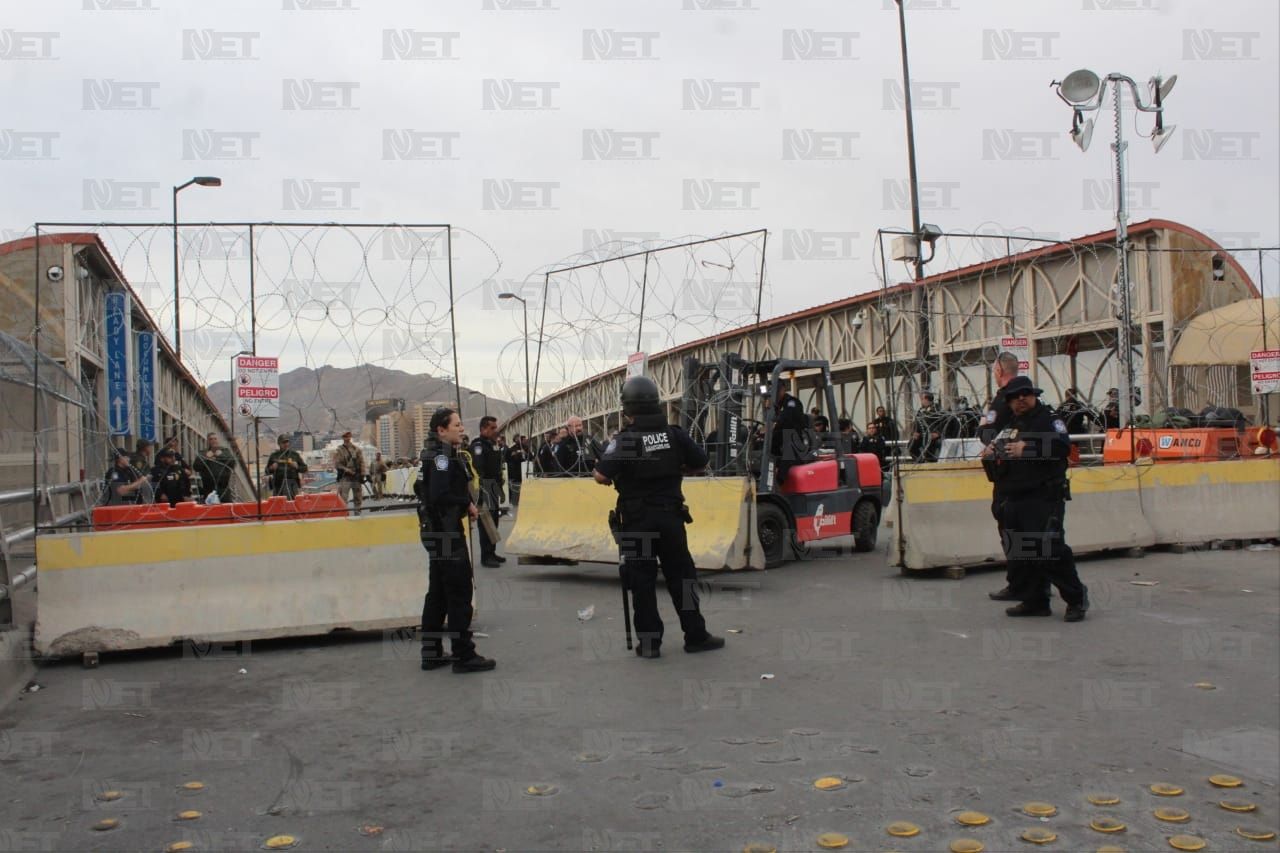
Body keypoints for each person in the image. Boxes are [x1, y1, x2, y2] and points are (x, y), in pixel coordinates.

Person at [594, 375, 724, 659]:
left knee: (641, 580)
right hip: (671, 519)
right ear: (655, 402)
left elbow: (601, 475)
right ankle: (696, 635)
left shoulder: (625, 441)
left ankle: (651, 643)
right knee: (682, 577)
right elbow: (701, 464)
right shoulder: (674, 434)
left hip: (637, 521)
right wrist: (678, 471)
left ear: (627, 408)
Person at [988, 376, 1089, 622]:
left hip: (1043, 496)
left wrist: (1029, 448)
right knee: (1022, 553)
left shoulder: (1049, 419)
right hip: (1014, 496)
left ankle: (1076, 597)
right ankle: (1034, 600)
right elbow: (1004, 454)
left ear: (1034, 395)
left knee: (1049, 550)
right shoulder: (1012, 423)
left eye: (1025, 394)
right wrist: (992, 454)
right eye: (1014, 397)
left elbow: (1062, 448)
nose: (1020, 399)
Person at [418, 407, 496, 673]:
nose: (461, 428)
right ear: (441, 429)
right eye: (456, 425)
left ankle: (431, 653)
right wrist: (466, 503)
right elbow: (440, 494)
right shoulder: (441, 457)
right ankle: (464, 655)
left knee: (438, 593)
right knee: (459, 592)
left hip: (438, 532)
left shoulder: (438, 454)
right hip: (447, 532)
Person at [980, 351, 1029, 602]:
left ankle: (1019, 584)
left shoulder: (1001, 401)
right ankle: (1032, 583)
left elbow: (987, 433)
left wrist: (983, 426)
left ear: (999, 371)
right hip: (1025, 477)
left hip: (1008, 476)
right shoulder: (1029, 402)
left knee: (1010, 530)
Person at [470, 416, 505, 568]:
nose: (495, 430)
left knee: (494, 521)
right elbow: (479, 468)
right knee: (486, 523)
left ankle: (492, 551)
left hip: (494, 486)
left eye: (496, 427)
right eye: (492, 428)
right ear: (483, 429)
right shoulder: (478, 445)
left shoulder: (492, 444)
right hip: (485, 487)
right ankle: (486, 556)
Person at [768, 384, 809, 486]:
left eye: (774, 392)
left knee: (788, 450)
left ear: (782, 390)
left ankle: (778, 482)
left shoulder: (792, 403)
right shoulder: (778, 406)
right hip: (782, 438)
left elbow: (786, 421)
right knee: (765, 446)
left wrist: (774, 425)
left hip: (793, 439)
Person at [194, 432, 235, 503]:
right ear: (208, 441)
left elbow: (232, 464)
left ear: (218, 440)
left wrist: (221, 455)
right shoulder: (203, 453)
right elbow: (196, 467)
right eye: (211, 439)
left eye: (215, 439)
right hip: (209, 490)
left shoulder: (225, 451)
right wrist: (206, 457)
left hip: (223, 488)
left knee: (226, 509)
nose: (213, 441)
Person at [334, 431, 366, 512]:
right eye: (345, 437)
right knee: (344, 497)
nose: (347, 438)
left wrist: (362, 474)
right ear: (343, 438)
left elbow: (362, 462)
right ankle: (344, 513)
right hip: (345, 476)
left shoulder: (357, 449)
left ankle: (357, 512)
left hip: (356, 475)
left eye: (348, 436)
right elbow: (337, 464)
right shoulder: (339, 450)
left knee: (358, 496)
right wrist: (346, 470)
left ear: (350, 437)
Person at [909, 392, 943, 463]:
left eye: (922, 399)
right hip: (922, 435)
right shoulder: (921, 410)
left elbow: (943, 423)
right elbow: (916, 423)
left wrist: (938, 433)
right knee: (911, 446)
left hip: (932, 436)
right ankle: (919, 461)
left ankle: (930, 462)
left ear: (927, 399)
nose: (921, 401)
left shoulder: (937, 409)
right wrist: (915, 432)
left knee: (930, 451)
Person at [504, 434, 528, 508]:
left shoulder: (525, 447)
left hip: (524, 469)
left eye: (519, 438)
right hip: (516, 470)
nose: (518, 440)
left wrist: (525, 453)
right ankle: (516, 501)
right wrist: (512, 455)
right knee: (516, 485)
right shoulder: (511, 449)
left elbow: (530, 456)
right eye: (516, 439)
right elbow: (507, 459)